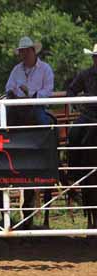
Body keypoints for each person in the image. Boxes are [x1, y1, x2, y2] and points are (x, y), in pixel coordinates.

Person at [0, 36, 54, 126]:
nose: (25, 54)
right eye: (22, 51)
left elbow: (48, 90)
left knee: (42, 120)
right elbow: (9, 87)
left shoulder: (45, 69)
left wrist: (32, 96)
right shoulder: (16, 69)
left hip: (36, 105)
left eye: (27, 51)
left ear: (33, 51)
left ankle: (49, 137)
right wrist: (13, 94)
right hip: (16, 105)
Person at [66, 42, 97, 176]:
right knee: (73, 133)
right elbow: (71, 90)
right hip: (89, 114)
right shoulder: (85, 74)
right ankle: (74, 171)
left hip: (89, 114)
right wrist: (77, 104)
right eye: (95, 57)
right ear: (93, 58)